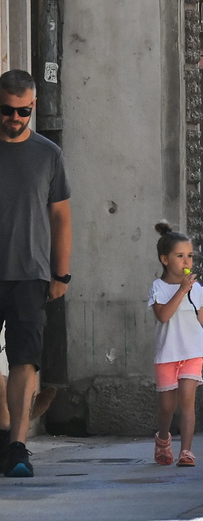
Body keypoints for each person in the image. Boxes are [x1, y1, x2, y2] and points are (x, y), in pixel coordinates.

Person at [0, 69, 72, 478]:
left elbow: (61, 217)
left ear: (33, 107)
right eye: (7, 110)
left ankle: (18, 446)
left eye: (23, 111)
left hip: (30, 273)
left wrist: (61, 274)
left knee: (25, 359)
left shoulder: (48, 155)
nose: (15, 118)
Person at [150, 222, 203, 467]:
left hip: (192, 351)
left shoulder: (195, 289)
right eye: (180, 256)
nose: (187, 262)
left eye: (189, 256)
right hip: (168, 353)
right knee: (167, 406)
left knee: (187, 400)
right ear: (165, 260)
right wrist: (181, 291)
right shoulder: (159, 288)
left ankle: (186, 451)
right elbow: (163, 316)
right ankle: (163, 438)